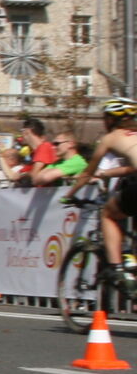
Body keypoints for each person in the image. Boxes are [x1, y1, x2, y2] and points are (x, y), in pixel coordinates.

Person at [66, 99, 137, 282]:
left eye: (105, 118)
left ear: (113, 119)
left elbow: (87, 174)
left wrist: (69, 195)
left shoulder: (111, 138)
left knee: (108, 214)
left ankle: (115, 267)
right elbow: (130, 168)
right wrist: (107, 173)